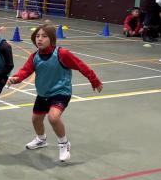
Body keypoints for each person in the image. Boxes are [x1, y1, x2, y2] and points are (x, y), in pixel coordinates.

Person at [8, 23, 103, 162]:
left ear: (52, 39)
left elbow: (81, 66)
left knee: (53, 117)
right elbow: (25, 71)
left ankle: (64, 144)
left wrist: (94, 80)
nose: (40, 39)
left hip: (61, 91)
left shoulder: (62, 54)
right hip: (43, 93)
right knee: (36, 119)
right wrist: (16, 78)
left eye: (44, 36)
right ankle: (41, 139)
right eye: (37, 36)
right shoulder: (34, 56)